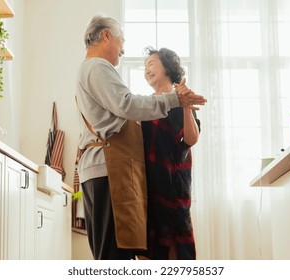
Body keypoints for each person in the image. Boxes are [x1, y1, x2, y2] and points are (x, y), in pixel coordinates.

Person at [75, 15, 207, 260]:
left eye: (152, 64)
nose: (123, 49)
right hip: (109, 171)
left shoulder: (91, 69)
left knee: (116, 252)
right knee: (114, 255)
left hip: (150, 185)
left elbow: (189, 139)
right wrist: (175, 99)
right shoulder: (97, 66)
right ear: (106, 36)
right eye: (121, 40)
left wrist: (181, 103)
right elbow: (127, 104)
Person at [141, 47, 199, 260]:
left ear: (167, 66)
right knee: (145, 251)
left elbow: (191, 139)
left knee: (175, 254)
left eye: (151, 64)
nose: (147, 70)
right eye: (144, 66)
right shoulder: (145, 104)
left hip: (173, 191)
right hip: (147, 190)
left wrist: (185, 106)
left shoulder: (180, 100)